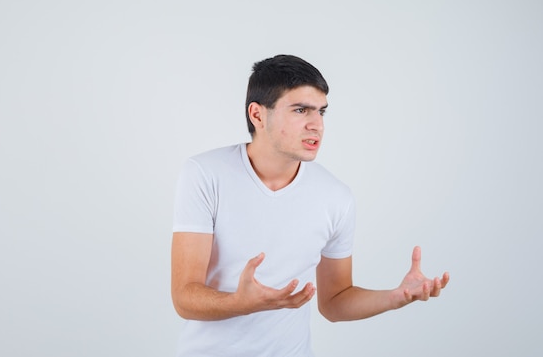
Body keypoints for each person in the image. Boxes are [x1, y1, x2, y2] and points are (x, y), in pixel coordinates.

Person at [171, 54, 449, 357]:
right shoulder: (205, 174)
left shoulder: (336, 197)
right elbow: (185, 297)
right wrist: (242, 303)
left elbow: (335, 301)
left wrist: (395, 297)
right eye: (301, 110)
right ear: (258, 115)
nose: (316, 125)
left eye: (321, 112)